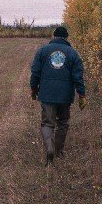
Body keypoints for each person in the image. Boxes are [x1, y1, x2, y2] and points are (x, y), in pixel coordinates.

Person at [30, 26, 86, 166]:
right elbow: (78, 77)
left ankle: (49, 148)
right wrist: (82, 94)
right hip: (65, 96)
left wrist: (33, 88)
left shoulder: (42, 51)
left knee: (47, 123)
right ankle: (58, 151)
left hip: (47, 94)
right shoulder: (73, 53)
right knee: (62, 122)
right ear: (67, 38)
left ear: (53, 36)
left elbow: (35, 72)